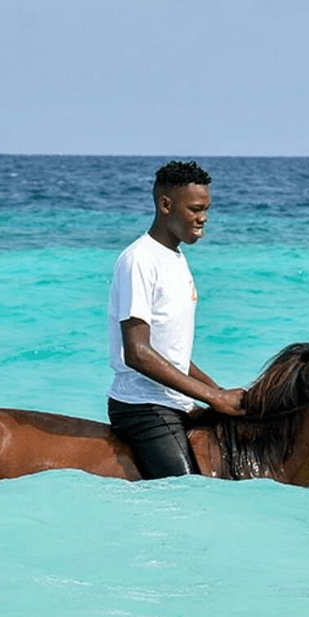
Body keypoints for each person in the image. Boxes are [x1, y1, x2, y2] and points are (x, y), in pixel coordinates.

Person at [107, 160, 245, 478]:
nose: (203, 218)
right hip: (141, 406)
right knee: (185, 492)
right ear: (165, 204)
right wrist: (212, 397)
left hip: (176, 403)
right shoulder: (139, 260)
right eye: (195, 209)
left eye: (207, 209)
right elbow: (138, 353)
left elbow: (173, 355)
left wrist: (219, 391)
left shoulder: (176, 258)